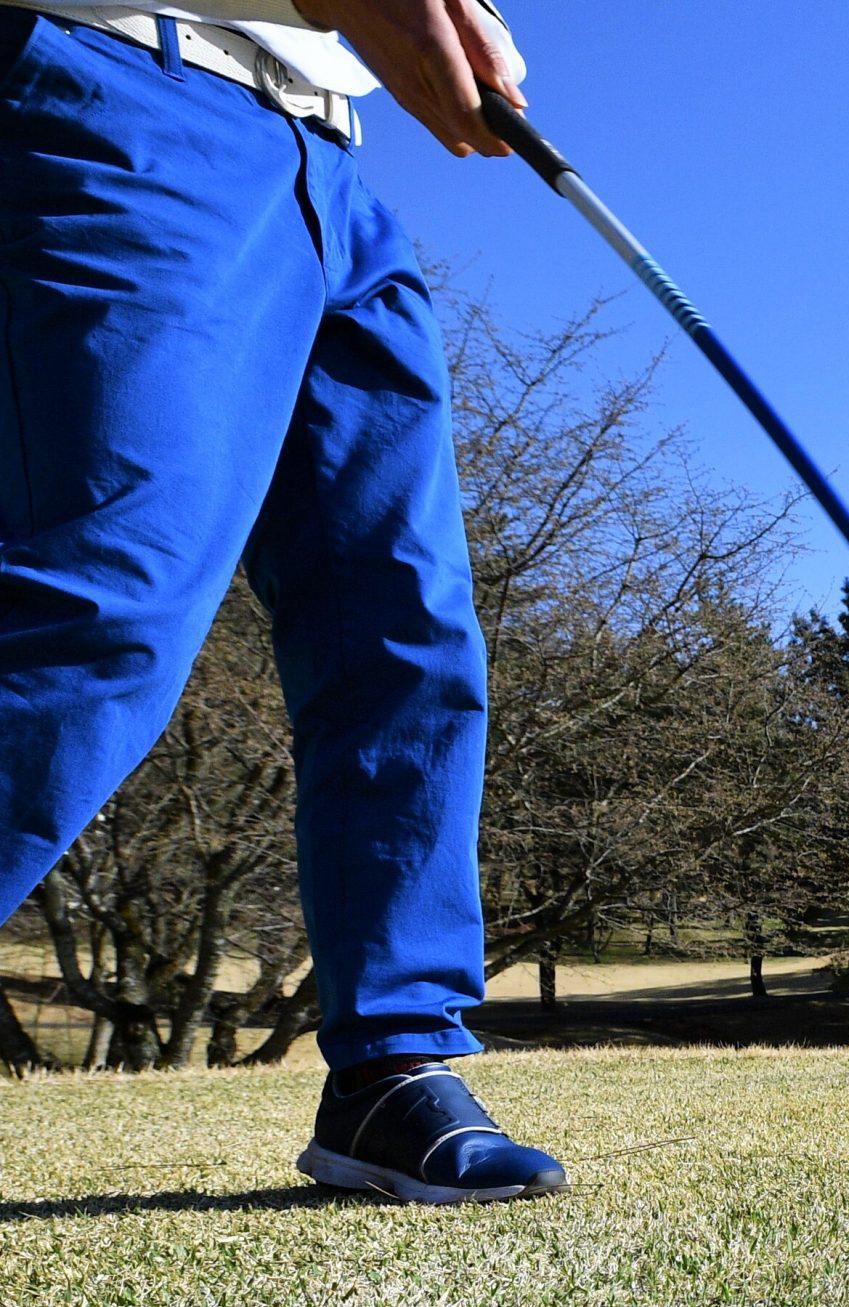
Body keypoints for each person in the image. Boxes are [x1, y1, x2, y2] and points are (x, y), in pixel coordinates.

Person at [0, 0, 567, 1203]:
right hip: (123, 79)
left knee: (404, 633)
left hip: (330, 160)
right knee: (106, 599)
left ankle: (392, 1071)